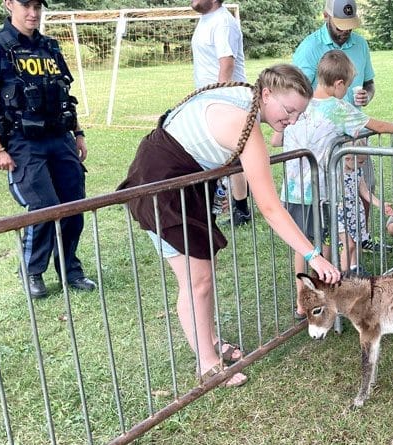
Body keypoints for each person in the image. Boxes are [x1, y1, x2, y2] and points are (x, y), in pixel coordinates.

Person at [117, 65, 341, 386]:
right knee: (197, 281)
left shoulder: (246, 101)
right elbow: (270, 207)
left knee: (202, 275)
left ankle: (208, 343)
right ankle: (208, 365)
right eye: (288, 110)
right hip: (161, 184)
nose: (291, 121)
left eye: (297, 115)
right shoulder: (244, 122)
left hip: (183, 182)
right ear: (266, 94)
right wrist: (313, 255)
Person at [0, 0, 96, 299]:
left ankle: (70, 270)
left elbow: (64, 93)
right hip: (23, 143)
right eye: (26, 4)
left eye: (38, 5)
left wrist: (77, 133)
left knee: (73, 205)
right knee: (42, 207)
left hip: (60, 138)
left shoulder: (50, 47)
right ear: (8, 4)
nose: (34, 12)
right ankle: (32, 271)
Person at [274, 51, 393, 312]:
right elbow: (376, 126)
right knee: (322, 241)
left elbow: (277, 138)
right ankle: (313, 296)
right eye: (348, 86)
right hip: (321, 191)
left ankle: (307, 297)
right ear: (339, 84)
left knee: (304, 245)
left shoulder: (301, 104)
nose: (347, 91)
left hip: (293, 189)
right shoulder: (336, 108)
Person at [293, 0, 386, 252]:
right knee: (330, 194)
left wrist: (366, 95)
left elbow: (369, 83)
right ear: (325, 16)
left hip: (353, 133)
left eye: (350, 25)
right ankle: (332, 246)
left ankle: (359, 239)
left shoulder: (362, 45)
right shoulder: (309, 48)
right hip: (324, 136)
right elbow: (297, 92)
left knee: (364, 183)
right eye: (340, 25)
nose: (345, 31)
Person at [191, 0, 252, 226]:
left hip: (225, 100)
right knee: (226, 156)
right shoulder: (207, 20)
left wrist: (218, 100)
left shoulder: (223, 22)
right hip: (209, 100)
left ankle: (240, 209)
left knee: (230, 156)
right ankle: (233, 206)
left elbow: (226, 65)